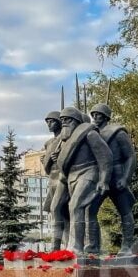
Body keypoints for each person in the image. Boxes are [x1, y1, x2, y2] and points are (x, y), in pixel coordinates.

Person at [56, 107, 112, 254]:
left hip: (89, 172)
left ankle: (76, 247)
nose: (64, 123)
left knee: (75, 206)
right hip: (72, 176)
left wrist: (104, 180)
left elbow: (105, 157)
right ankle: (77, 245)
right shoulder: (66, 141)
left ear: (76, 121)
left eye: (67, 120)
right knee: (72, 207)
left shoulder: (90, 134)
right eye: (62, 120)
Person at [89, 103, 138, 255]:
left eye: (98, 114)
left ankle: (127, 246)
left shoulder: (118, 133)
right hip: (100, 175)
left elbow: (130, 156)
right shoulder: (93, 133)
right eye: (93, 114)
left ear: (105, 116)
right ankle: (93, 246)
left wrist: (125, 177)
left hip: (117, 174)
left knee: (125, 211)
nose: (95, 117)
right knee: (90, 210)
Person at [41, 111, 70, 250]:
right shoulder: (48, 144)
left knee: (58, 210)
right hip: (51, 179)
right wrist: (45, 161)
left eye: (52, 121)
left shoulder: (66, 139)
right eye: (47, 122)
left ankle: (56, 248)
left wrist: (59, 159)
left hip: (62, 179)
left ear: (59, 122)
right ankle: (66, 246)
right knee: (60, 215)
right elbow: (47, 170)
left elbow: (69, 161)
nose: (49, 124)